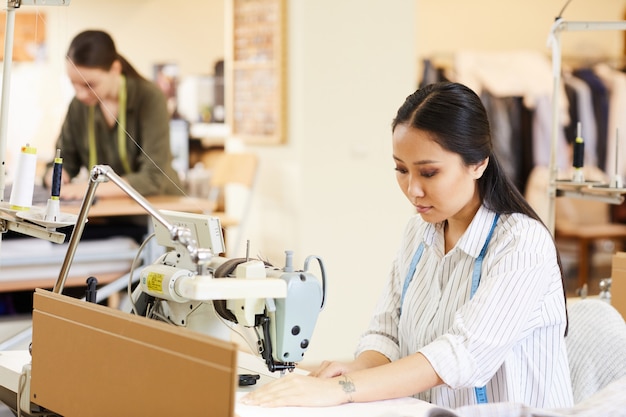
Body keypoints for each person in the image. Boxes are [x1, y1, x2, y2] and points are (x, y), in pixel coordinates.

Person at [241, 82, 573, 409]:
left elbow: (463, 354)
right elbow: (386, 331)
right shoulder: (420, 231)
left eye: (428, 173)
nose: (412, 189)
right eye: (401, 169)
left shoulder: (521, 244)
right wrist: (357, 369)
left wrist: (345, 388)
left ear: (478, 163)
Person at [44, 29, 183, 199]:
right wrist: (55, 175)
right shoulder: (78, 105)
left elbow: (153, 178)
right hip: (107, 212)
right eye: (74, 84)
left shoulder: (149, 97)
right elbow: (64, 160)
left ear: (115, 69)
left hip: (157, 211)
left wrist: (90, 189)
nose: (80, 94)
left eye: (89, 85)